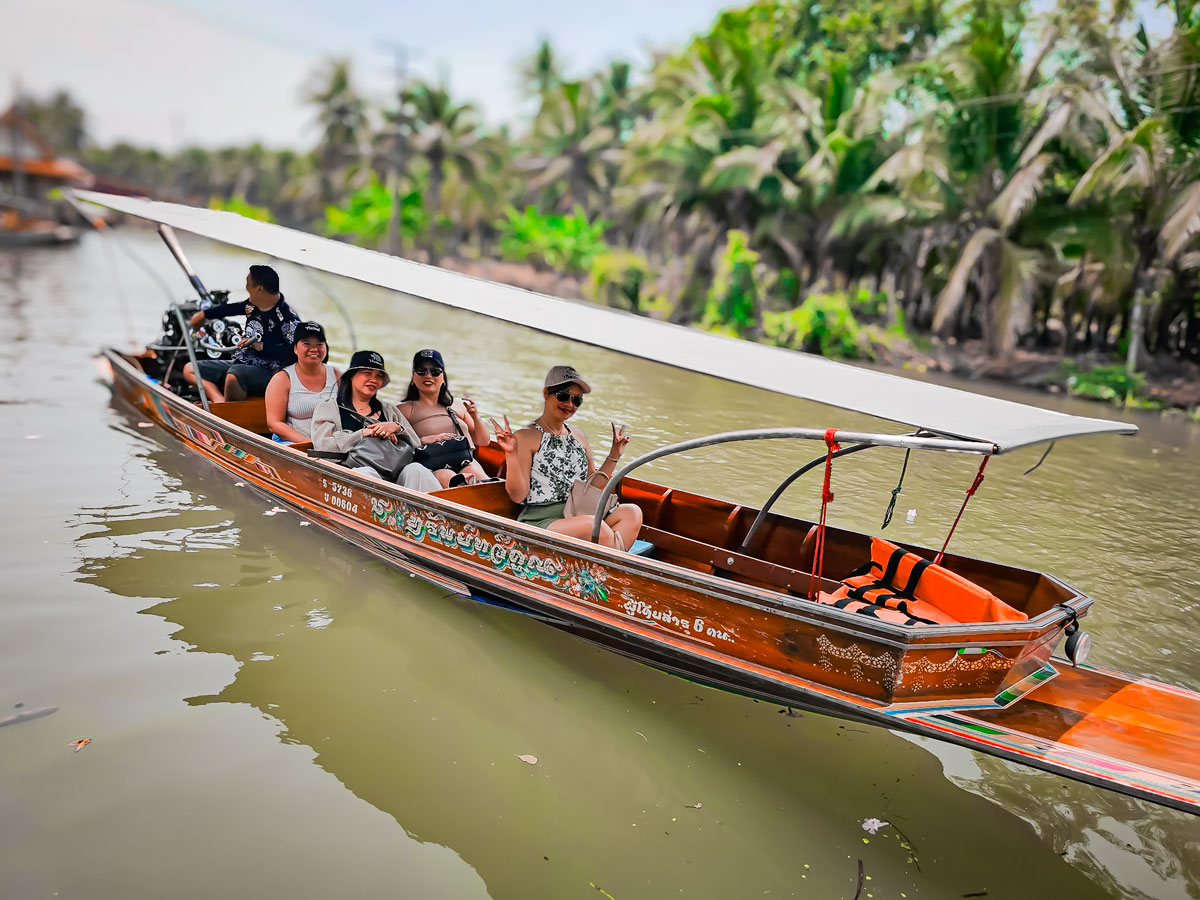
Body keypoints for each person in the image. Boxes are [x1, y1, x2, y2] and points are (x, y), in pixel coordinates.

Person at [491, 365, 642, 550]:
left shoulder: (578, 436)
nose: (570, 405)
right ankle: (610, 568)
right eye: (563, 396)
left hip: (579, 513)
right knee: (596, 528)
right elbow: (517, 494)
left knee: (632, 513)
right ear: (546, 393)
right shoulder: (526, 436)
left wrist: (614, 455)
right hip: (543, 521)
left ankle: (604, 566)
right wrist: (511, 453)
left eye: (577, 400)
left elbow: (591, 486)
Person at [310, 350, 441, 492]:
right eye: (367, 373)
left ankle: (439, 512)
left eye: (378, 375)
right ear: (352, 376)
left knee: (416, 470)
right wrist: (365, 433)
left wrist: (397, 428)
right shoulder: (329, 408)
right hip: (348, 478)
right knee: (366, 474)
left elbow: (416, 445)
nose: (373, 379)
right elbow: (322, 446)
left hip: (393, 473)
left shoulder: (389, 410)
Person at [183, 264, 301, 402]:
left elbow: (296, 352)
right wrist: (204, 314)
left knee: (234, 375)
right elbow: (231, 308)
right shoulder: (253, 305)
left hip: (271, 374)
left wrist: (261, 346)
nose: (246, 289)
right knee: (190, 369)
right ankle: (218, 399)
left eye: (248, 286)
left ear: (259, 289)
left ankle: (229, 413)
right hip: (243, 363)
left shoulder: (288, 318)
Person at [397, 349, 492, 488]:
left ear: (443, 378)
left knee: (473, 472)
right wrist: (423, 440)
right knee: (447, 477)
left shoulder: (458, 405)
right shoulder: (405, 410)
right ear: (413, 377)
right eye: (421, 371)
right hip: (433, 466)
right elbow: (398, 445)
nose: (428, 375)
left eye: (435, 371)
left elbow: (483, 441)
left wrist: (475, 417)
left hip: (466, 460)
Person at [264, 321, 339, 443]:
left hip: (332, 441)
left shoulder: (336, 374)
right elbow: (274, 423)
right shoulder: (282, 378)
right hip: (294, 443)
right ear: (295, 348)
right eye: (307, 344)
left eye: (319, 344)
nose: (314, 349)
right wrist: (310, 444)